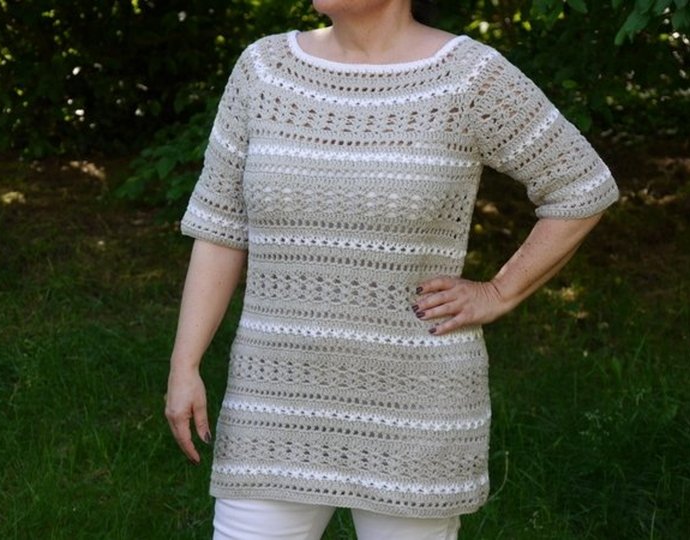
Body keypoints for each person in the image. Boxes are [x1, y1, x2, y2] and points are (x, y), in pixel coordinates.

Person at [164, 0, 619, 538]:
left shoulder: (469, 76)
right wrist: (185, 363)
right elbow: (220, 228)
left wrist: (499, 291)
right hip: (273, 400)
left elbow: (581, 185)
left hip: (415, 410)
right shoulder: (263, 70)